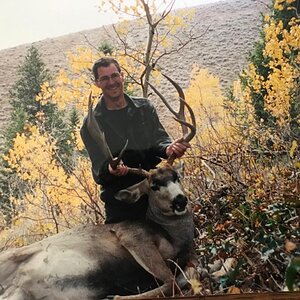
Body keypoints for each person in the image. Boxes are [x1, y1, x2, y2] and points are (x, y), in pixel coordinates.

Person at [80, 57, 190, 223]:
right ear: (97, 83)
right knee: (125, 248)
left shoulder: (144, 108)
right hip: (122, 201)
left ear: (122, 76)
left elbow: (159, 138)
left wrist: (169, 149)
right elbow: (98, 170)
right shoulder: (91, 125)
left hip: (157, 192)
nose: (111, 82)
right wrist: (110, 169)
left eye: (115, 76)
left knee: (183, 237)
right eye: (104, 78)